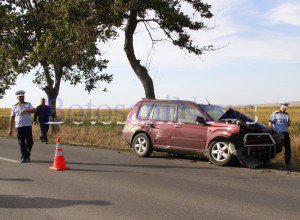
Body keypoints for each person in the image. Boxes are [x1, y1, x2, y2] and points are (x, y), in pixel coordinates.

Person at [8, 90, 37, 163]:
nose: (21, 98)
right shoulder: (14, 107)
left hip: (27, 126)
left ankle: (26, 154)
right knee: (21, 142)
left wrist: (26, 110)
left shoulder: (28, 104)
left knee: (30, 142)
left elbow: (34, 111)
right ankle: (24, 157)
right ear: (17, 98)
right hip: (19, 127)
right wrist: (10, 129)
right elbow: (12, 118)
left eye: (22, 97)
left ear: (24, 97)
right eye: (20, 97)